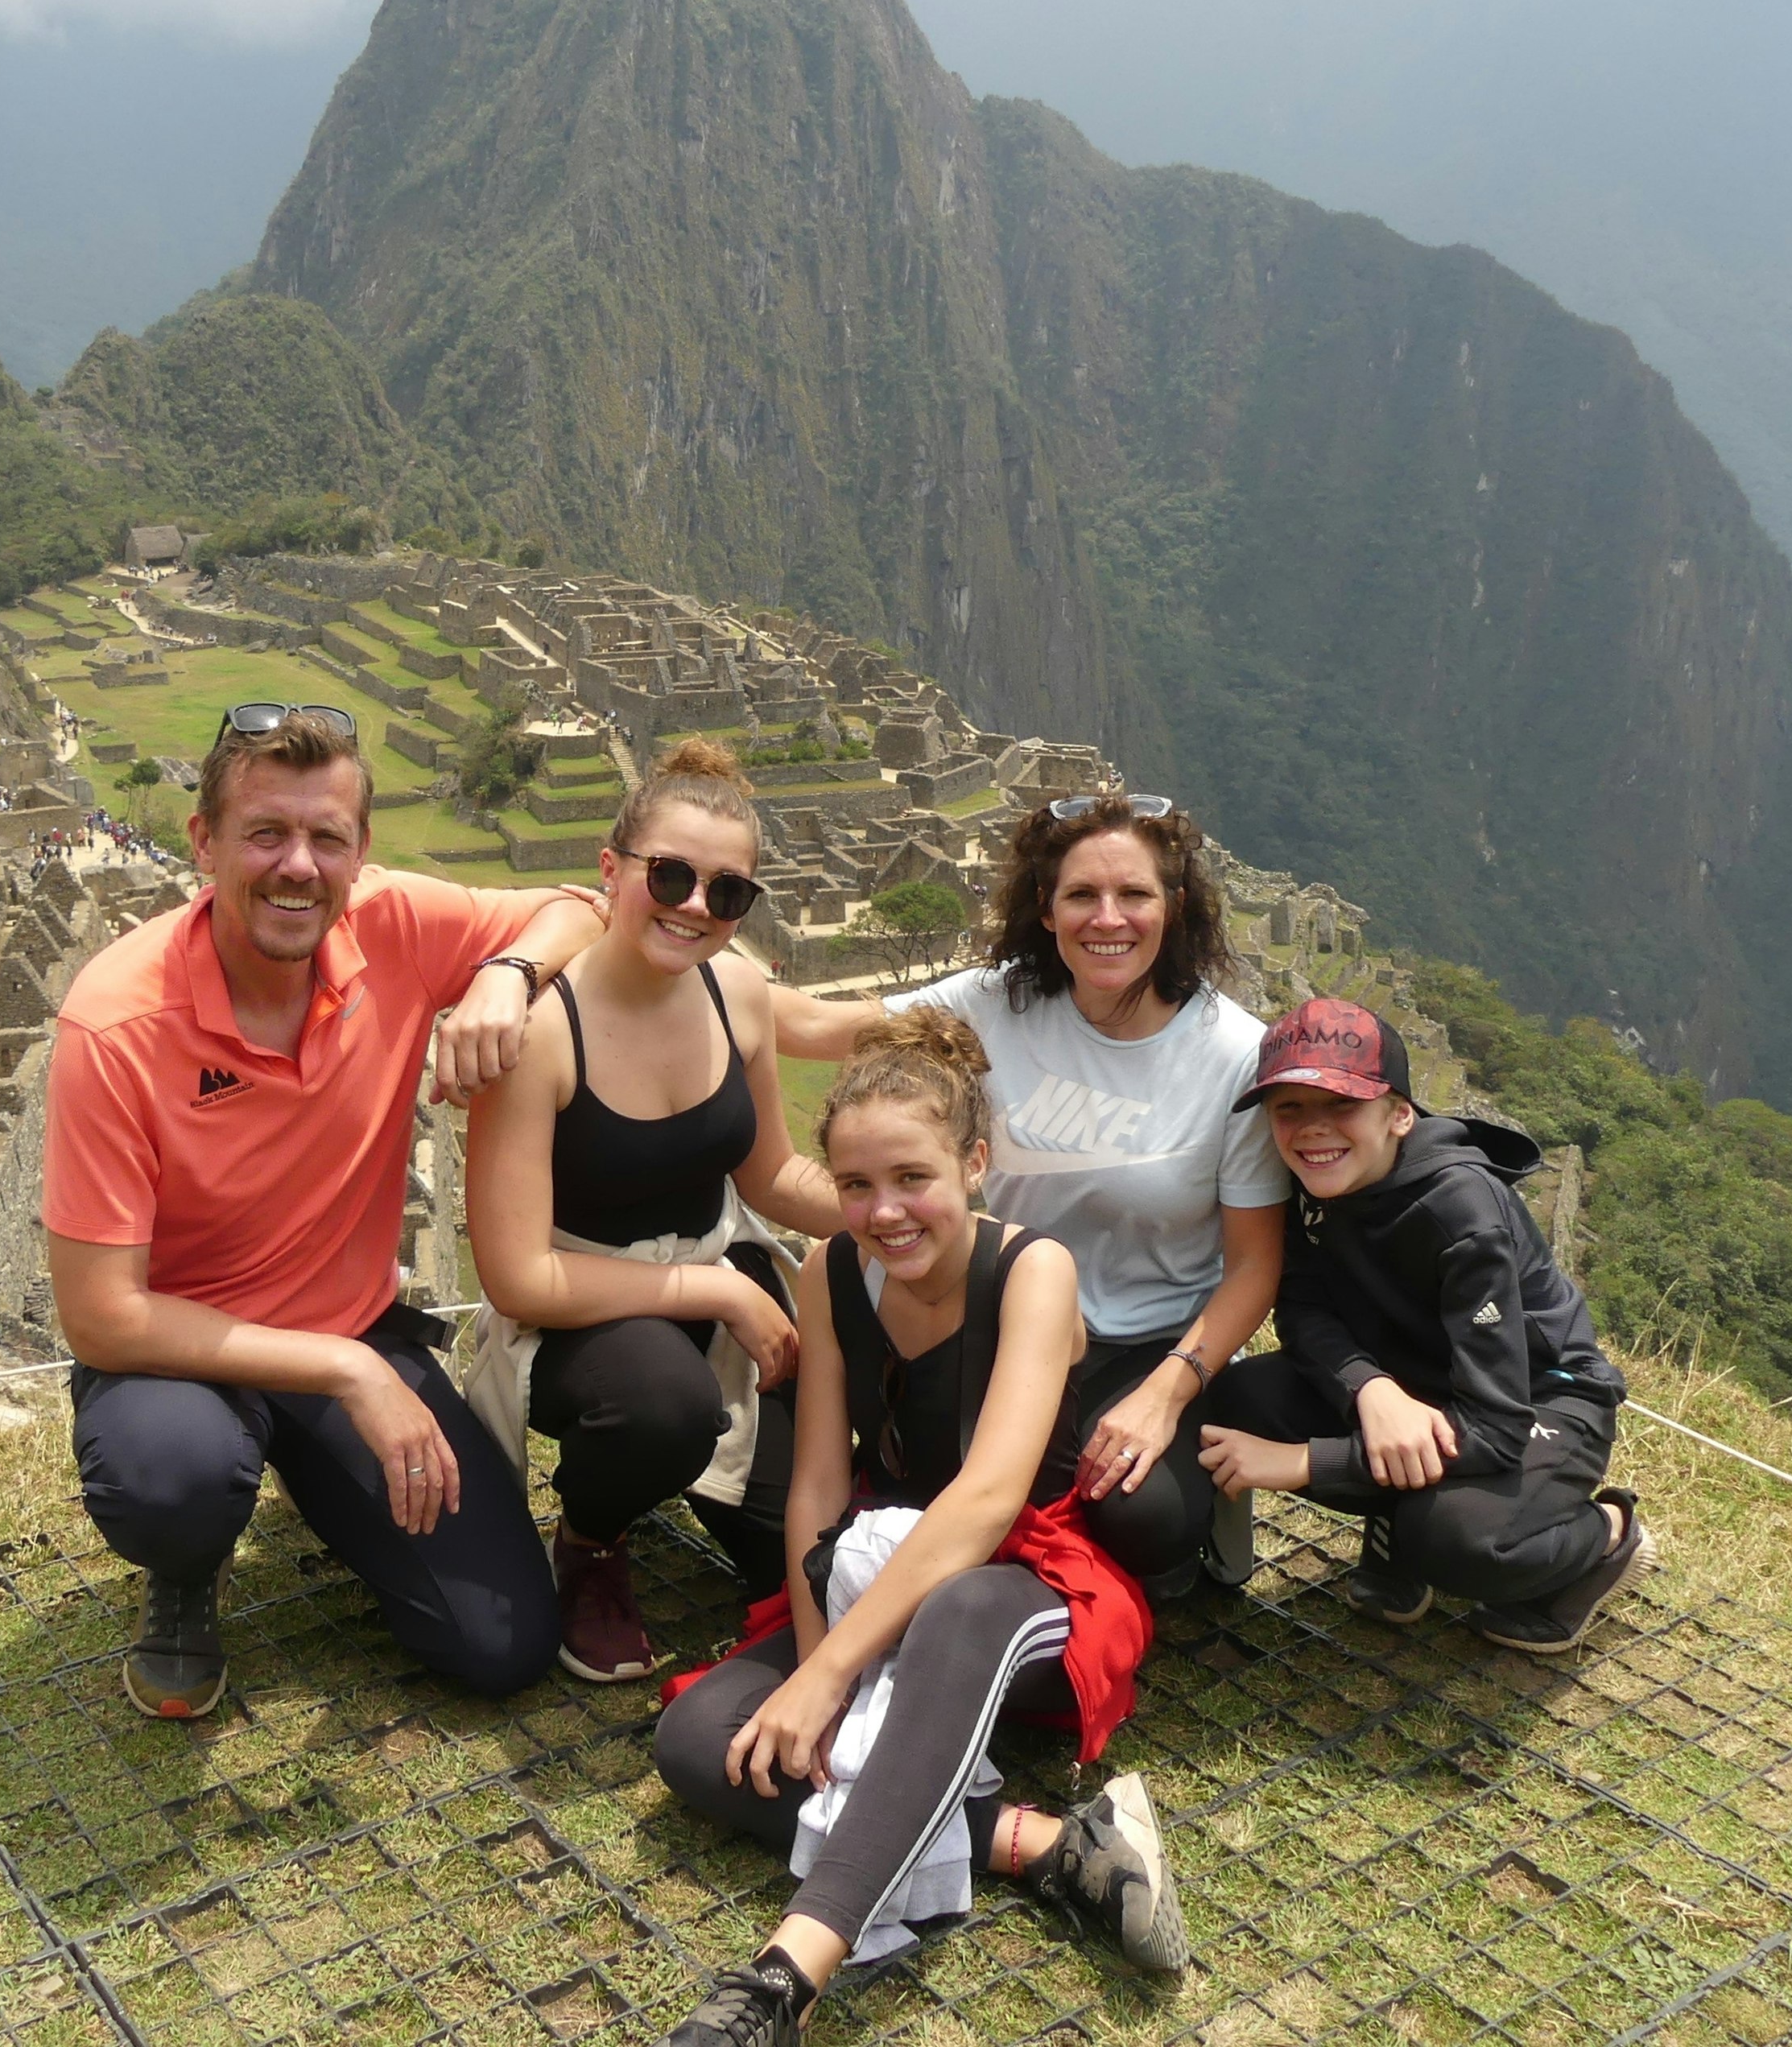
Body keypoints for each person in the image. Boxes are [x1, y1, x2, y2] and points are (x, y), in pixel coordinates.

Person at [43, 704, 608, 1720]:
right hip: (183, 1356)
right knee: (174, 1482)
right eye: (265, 833)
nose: (296, 866)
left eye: (325, 838)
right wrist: (350, 1371)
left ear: (360, 855)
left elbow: (578, 906)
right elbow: (101, 1315)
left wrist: (502, 974)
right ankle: (188, 1570)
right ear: (205, 842)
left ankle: (317, 1475)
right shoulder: (117, 1021)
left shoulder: (391, 924)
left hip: (345, 1321)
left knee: (503, 1644)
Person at [653, 1013, 1179, 2045]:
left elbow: (987, 1501)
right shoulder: (831, 1272)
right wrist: (820, 1672)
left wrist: (826, 1681)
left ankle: (780, 1982)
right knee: (699, 1739)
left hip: (1025, 1579)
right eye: (856, 1187)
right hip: (877, 1570)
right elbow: (814, 1491)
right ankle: (1045, 1845)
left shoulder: (1032, 1271)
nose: (883, 1211)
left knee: (962, 1611)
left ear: (975, 1164)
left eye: (912, 1178)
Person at [776, 794, 1289, 1599]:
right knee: (918, 1468)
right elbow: (806, 1026)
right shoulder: (994, 1005)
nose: (1107, 919)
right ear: (1045, 909)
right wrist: (620, 935)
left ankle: (1179, 1515)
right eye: (1082, 895)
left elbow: (1253, 1266)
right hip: (995, 1316)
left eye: (1135, 896)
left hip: (1141, 1343)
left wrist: (1165, 1395)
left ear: (1175, 905)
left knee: (1144, 1515)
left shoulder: (1233, 1055)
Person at [462, 740, 839, 1681]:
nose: (695, 907)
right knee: (663, 1410)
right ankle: (591, 1540)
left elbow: (772, 1181)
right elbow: (520, 1277)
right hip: (577, 1309)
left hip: (713, 1273)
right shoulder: (541, 1033)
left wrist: (902, 1215)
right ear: (611, 870)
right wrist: (717, 1294)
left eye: (727, 892)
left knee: (793, 1555)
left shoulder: (738, 993)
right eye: (669, 875)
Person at [1194, 999, 1656, 1653]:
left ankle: (1607, 1535)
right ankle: (1396, 1520)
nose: (1312, 1130)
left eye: (1343, 1106)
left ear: (1400, 1115)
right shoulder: (1309, 1179)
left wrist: (1305, 1462)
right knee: (1243, 1399)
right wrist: (1370, 1390)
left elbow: (1495, 1430)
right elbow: (1301, 1308)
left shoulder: (1460, 1211)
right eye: (1289, 1108)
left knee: (1459, 1540)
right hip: (1412, 1376)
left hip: (1536, 1398)